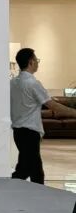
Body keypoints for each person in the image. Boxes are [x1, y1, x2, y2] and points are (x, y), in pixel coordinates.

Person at [10, 48, 72, 185]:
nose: (38, 63)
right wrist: (74, 112)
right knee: (30, 171)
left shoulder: (13, 83)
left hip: (18, 132)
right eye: (36, 60)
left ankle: (18, 192)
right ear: (31, 62)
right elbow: (53, 106)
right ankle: (7, 191)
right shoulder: (33, 84)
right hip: (30, 133)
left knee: (29, 169)